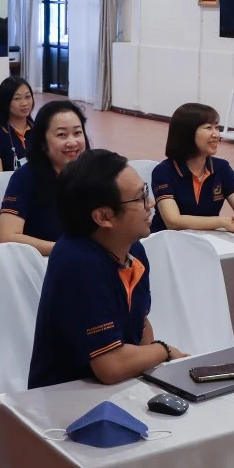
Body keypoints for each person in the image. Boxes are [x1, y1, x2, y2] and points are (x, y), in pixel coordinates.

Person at [27, 149, 187, 389]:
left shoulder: (133, 249)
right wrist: (163, 351)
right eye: (140, 197)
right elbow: (110, 366)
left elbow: (140, 323)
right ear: (103, 217)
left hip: (119, 389)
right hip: (67, 399)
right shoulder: (76, 260)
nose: (150, 203)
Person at [0, 101, 89, 256]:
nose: (73, 142)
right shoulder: (25, 178)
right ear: (42, 142)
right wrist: (64, 250)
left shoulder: (95, 171)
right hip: (41, 266)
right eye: (62, 134)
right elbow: (7, 237)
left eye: (77, 133)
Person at [151, 103, 234, 234]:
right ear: (187, 133)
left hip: (207, 241)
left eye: (217, 127)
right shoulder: (164, 171)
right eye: (208, 128)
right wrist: (223, 222)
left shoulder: (221, 167)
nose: (216, 135)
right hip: (167, 244)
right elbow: (173, 221)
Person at [0, 76, 35, 173]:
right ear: (5, 103)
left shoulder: (40, 130)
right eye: (17, 98)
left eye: (28, 97)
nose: (24, 103)